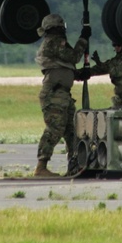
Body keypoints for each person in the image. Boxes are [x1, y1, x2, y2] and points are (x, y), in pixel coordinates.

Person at [34, 12, 90, 177]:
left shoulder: (57, 44)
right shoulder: (53, 43)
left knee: (72, 131)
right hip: (54, 94)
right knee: (55, 128)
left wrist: (81, 74)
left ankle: (74, 165)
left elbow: (65, 67)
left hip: (63, 94)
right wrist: (83, 39)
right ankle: (41, 166)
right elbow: (74, 57)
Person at [86, 42, 122, 110]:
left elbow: (118, 71)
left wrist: (100, 64)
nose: (116, 47)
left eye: (118, 45)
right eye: (114, 45)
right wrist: (81, 73)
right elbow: (101, 69)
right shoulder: (115, 61)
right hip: (120, 100)